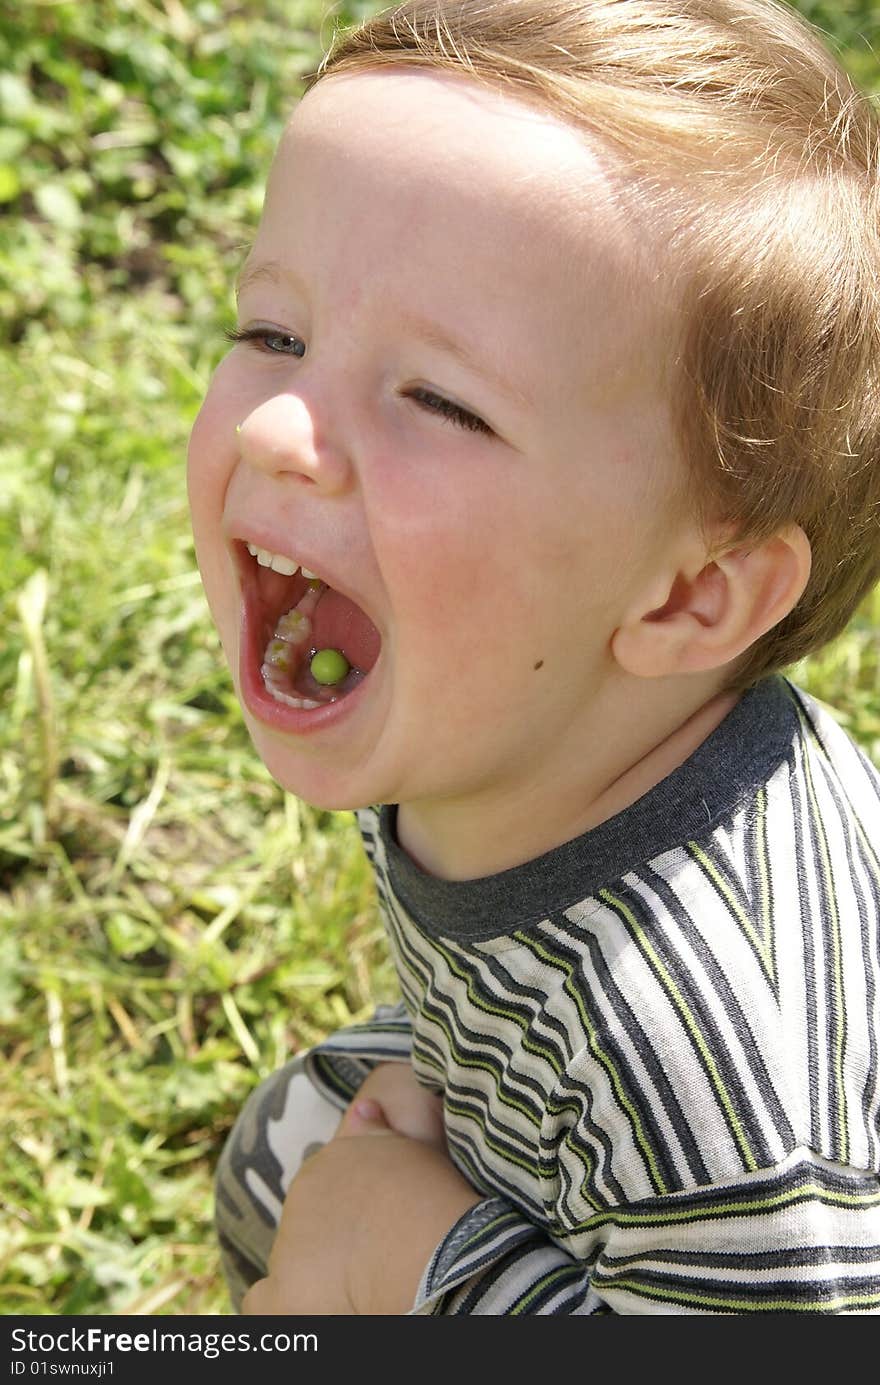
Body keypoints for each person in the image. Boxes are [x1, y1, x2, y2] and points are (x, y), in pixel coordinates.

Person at [187, 0, 880, 1315]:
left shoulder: (707, 1053)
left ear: (690, 596)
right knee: (289, 1152)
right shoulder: (523, 711)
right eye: (273, 334)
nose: (278, 426)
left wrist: (410, 1260)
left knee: (314, 1205)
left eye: (440, 401)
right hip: (541, 1115)